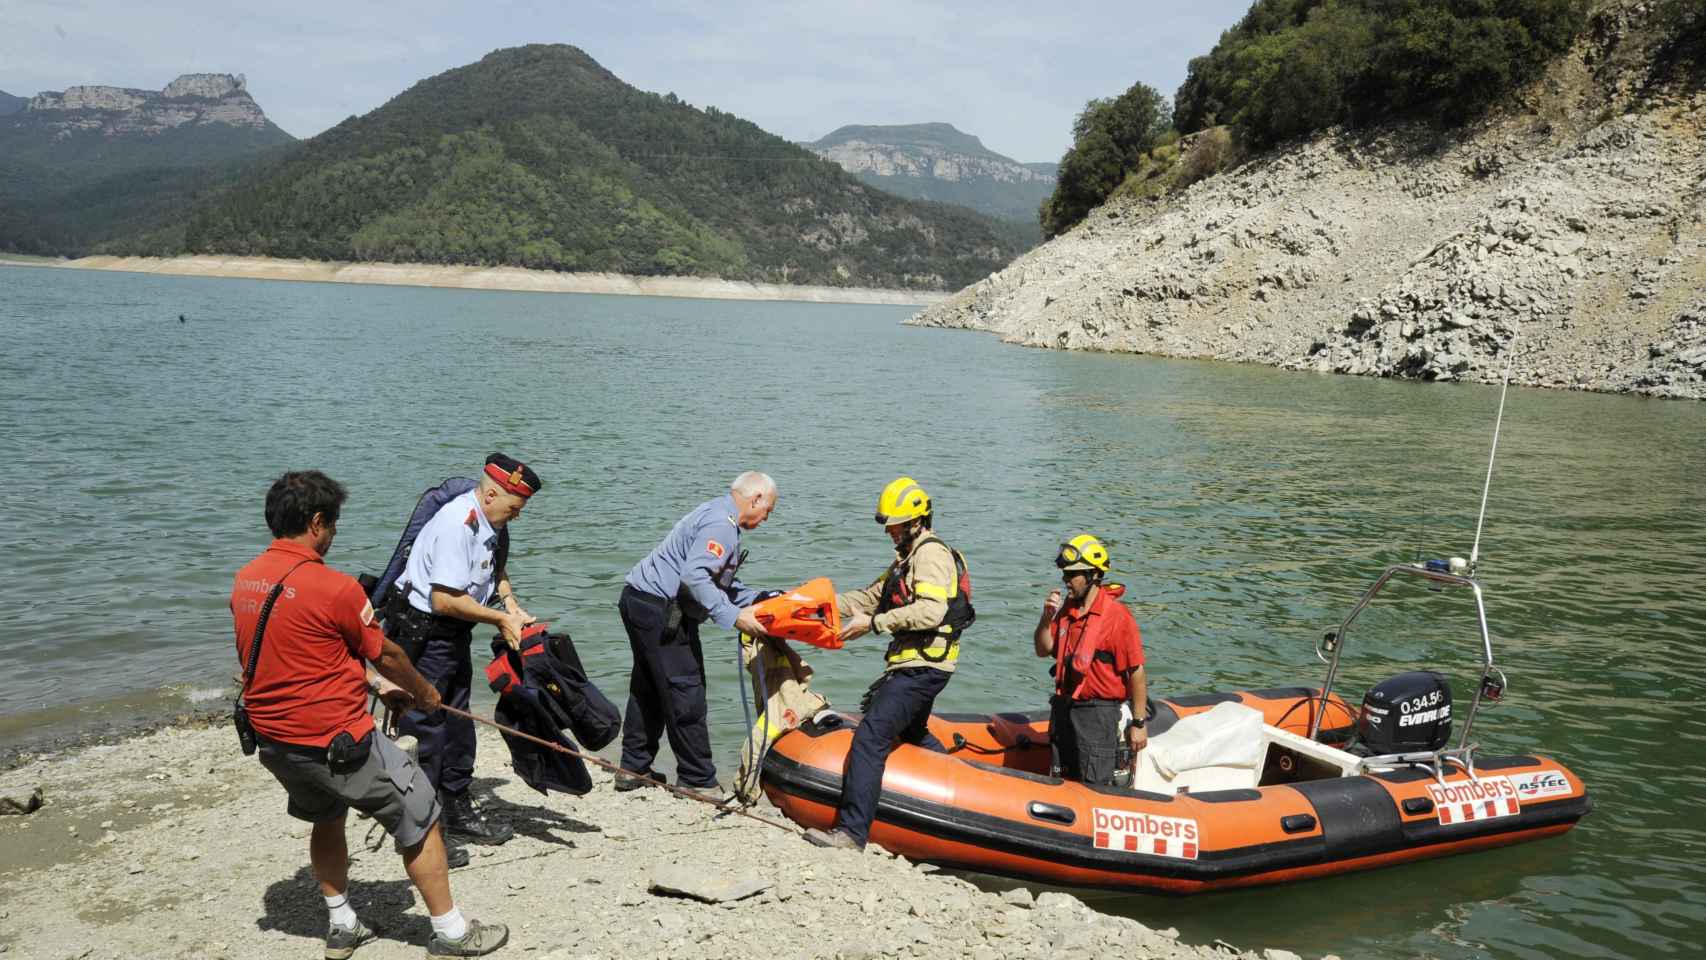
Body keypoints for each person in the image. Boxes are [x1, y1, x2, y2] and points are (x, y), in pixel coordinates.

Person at [230, 470, 506, 957]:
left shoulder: (247, 580)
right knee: (420, 811)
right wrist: (421, 692)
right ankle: (453, 933)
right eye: (333, 525)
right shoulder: (335, 588)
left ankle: (342, 925)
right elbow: (391, 655)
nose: (334, 535)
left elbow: (301, 658)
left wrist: (377, 687)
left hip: (274, 743)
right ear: (317, 523)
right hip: (335, 742)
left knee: (329, 815)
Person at [804, 477, 974, 850]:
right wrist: (817, 605)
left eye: (895, 525)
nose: (889, 532)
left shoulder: (930, 555)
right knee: (912, 733)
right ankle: (958, 789)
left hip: (923, 667)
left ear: (916, 521)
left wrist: (876, 624)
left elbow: (931, 611)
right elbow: (869, 598)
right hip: (915, 664)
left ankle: (852, 832)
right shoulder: (907, 558)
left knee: (870, 737)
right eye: (887, 525)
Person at [388, 453, 542, 846]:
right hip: (426, 635)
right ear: (491, 494)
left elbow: (494, 567)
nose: (517, 516)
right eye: (514, 508)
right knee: (427, 727)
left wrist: (509, 604)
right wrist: (500, 621)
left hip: (452, 635)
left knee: (457, 723)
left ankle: (455, 805)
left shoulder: (488, 520)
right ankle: (422, 830)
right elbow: (444, 599)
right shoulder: (459, 523)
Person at [616, 471, 777, 798]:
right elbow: (695, 578)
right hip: (660, 608)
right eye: (768, 511)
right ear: (756, 498)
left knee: (649, 687)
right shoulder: (722, 525)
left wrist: (761, 599)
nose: (766, 519)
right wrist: (734, 618)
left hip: (641, 600)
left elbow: (715, 583)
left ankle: (633, 768)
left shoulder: (716, 512)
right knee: (685, 690)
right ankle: (696, 779)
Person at [1033, 533, 1147, 786]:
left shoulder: (1117, 617)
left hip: (1097, 714)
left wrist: (1138, 723)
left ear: (1093, 575)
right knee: (1060, 779)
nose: (1066, 581)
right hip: (1064, 708)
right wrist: (1046, 617)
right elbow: (1043, 650)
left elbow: (1136, 671)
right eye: (1064, 575)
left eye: (1072, 575)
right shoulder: (1067, 610)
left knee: (1094, 785)